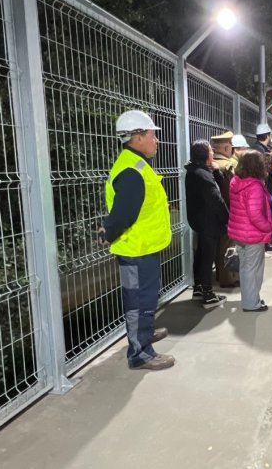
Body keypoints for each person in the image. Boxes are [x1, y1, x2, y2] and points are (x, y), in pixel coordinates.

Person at [98, 110, 174, 371]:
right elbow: (123, 214)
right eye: (153, 134)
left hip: (144, 247)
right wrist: (108, 233)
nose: (156, 140)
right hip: (135, 250)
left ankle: (145, 333)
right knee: (138, 301)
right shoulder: (131, 170)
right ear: (138, 137)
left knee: (146, 299)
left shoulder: (136, 164)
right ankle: (140, 353)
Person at [185, 139, 229, 309]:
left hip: (200, 221)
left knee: (201, 254)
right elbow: (216, 199)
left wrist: (216, 171)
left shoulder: (196, 170)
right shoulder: (202, 174)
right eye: (211, 150)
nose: (213, 153)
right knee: (207, 257)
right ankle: (208, 295)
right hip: (208, 221)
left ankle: (198, 289)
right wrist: (227, 218)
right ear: (204, 154)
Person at [227, 151, 272, 312]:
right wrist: (268, 226)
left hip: (239, 232)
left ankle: (249, 300)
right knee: (254, 269)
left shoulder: (235, 181)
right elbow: (255, 214)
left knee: (245, 268)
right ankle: (251, 303)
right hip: (252, 234)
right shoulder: (254, 186)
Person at [211, 131, 239, 288]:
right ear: (227, 148)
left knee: (217, 245)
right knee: (227, 245)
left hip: (211, 212)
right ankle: (227, 278)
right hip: (227, 210)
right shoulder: (228, 166)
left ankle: (218, 275)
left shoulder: (211, 163)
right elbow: (231, 191)